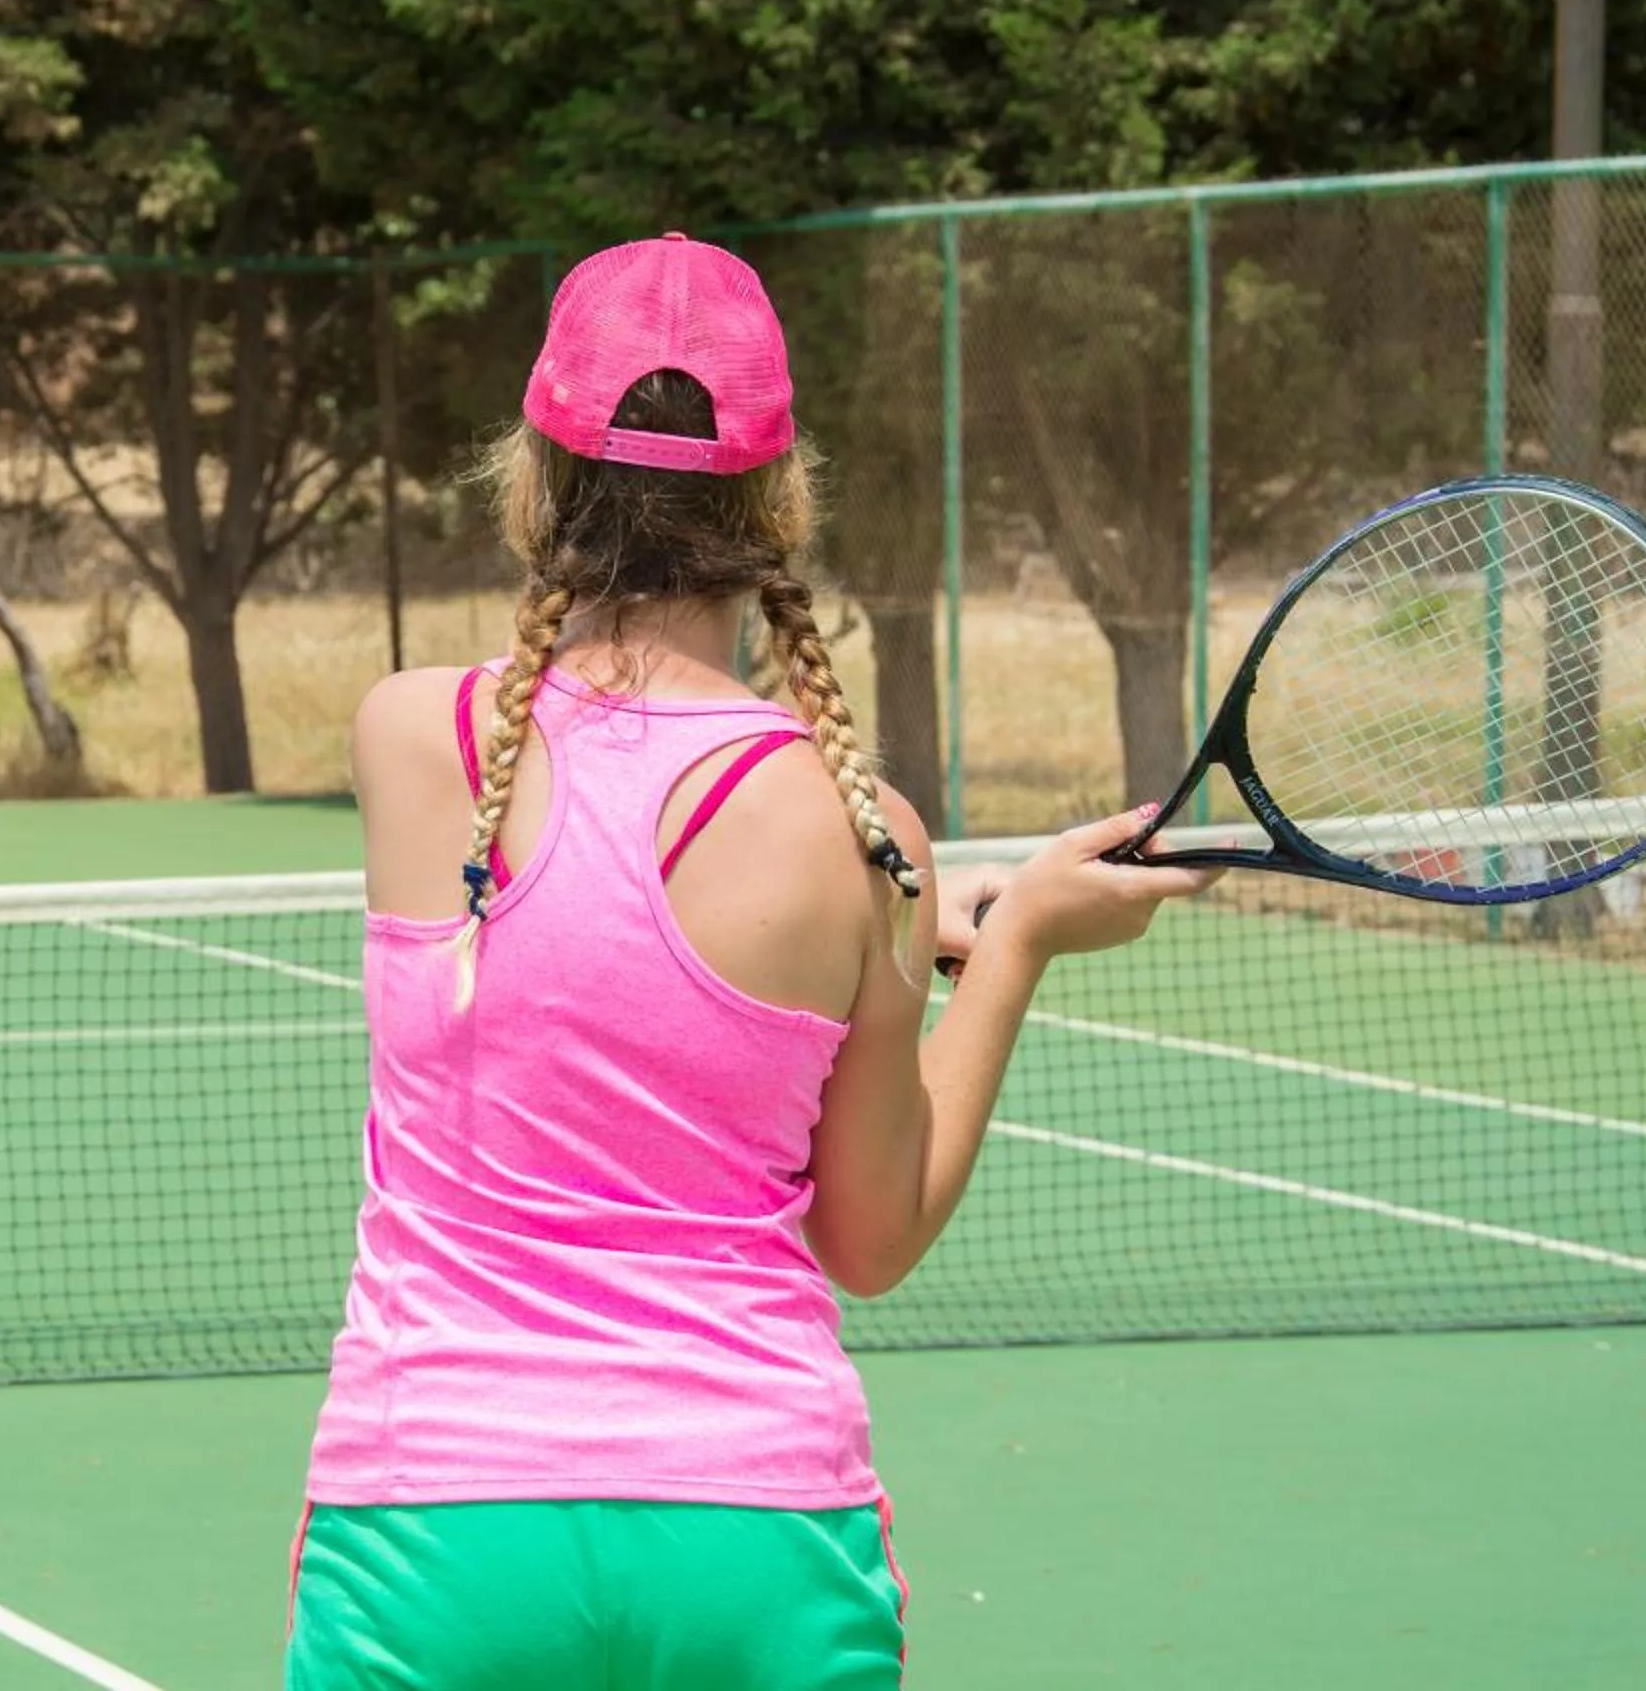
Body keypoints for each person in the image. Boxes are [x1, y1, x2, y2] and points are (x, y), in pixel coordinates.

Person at [284, 235, 1213, 1689]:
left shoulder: (410, 740)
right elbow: (873, 1238)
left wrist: (908, 946)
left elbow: (587, 949)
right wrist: (1008, 936)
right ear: (780, 499)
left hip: (434, 1528)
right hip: (758, 1531)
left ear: (532, 477)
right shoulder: (866, 840)